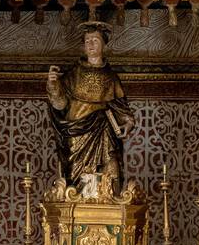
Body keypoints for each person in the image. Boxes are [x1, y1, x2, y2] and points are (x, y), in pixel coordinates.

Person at [47, 21, 134, 195]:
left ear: (103, 44)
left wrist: (127, 125)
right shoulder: (73, 74)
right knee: (77, 181)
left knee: (112, 170)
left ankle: (112, 204)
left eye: (95, 40)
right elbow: (60, 104)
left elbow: (123, 111)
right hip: (77, 133)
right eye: (87, 41)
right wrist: (53, 84)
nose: (90, 44)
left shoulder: (111, 77)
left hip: (104, 132)